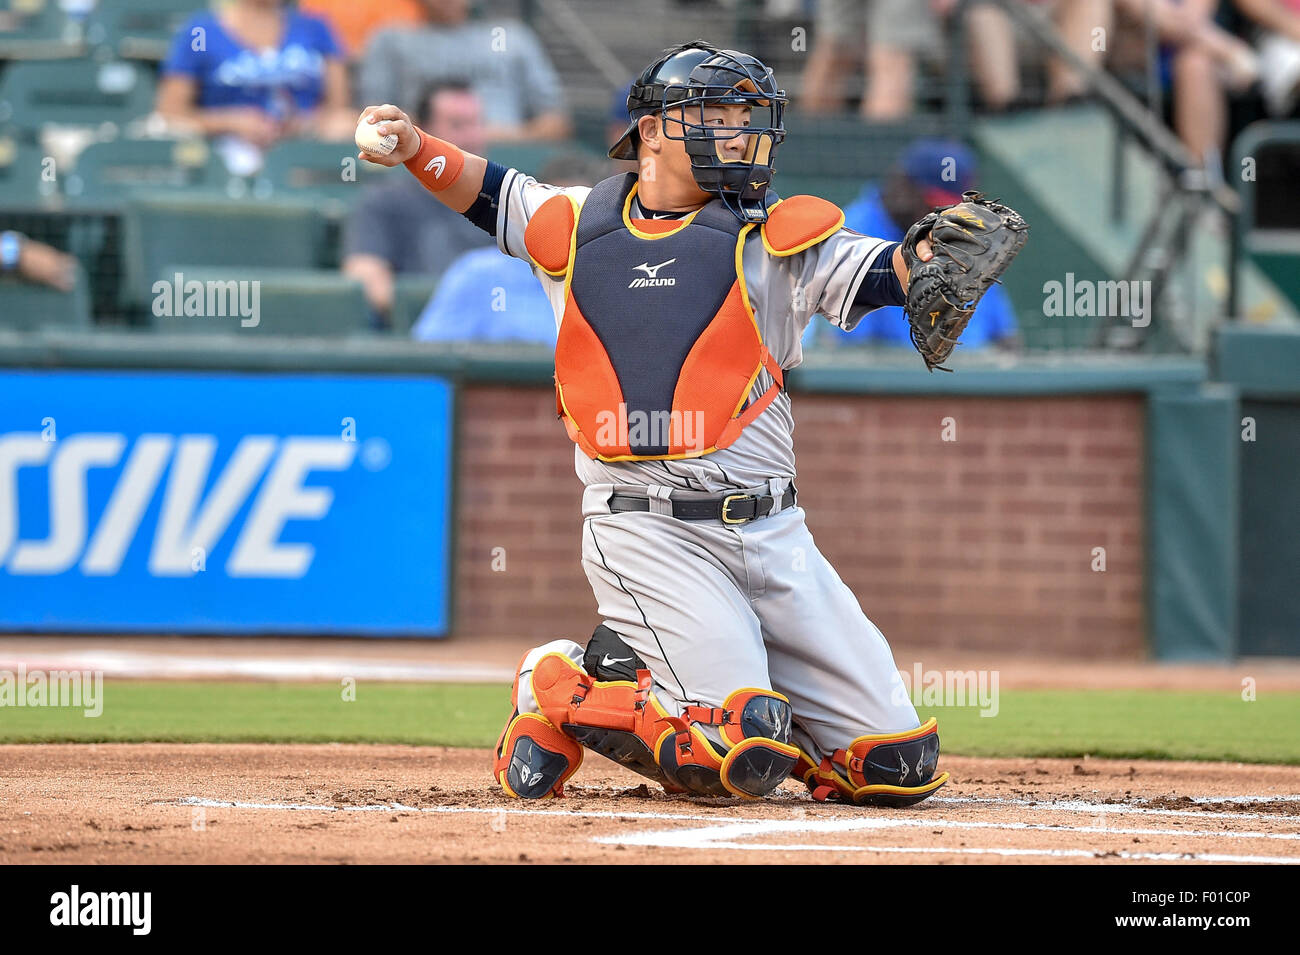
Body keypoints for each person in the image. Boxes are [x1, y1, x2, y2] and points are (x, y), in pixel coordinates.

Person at [359, 40, 951, 806]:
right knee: (726, 749)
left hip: (774, 534)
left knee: (897, 765)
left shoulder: (772, 241)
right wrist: (413, 146)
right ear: (651, 132)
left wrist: (927, 255)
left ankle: (663, 680)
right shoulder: (575, 224)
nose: (738, 133)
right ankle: (559, 685)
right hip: (648, 531)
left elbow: (882, 272)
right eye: (715, 115)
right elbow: (490, 192)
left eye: (746, 117)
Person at [833, 139, 1017, 351]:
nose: (947, 221)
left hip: (973, 378)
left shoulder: (964, 238)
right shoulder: (851, 235)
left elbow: (1007, 338)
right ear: (903, 188)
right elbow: (853, 353)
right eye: (936, 208)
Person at [411, 153, 608, 344]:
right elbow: (430, 358)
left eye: (579, 213)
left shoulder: (618, 275)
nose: (566, 223)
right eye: (554, 209)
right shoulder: (479, 272)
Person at [343, 81, 494, 325]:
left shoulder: (502, 199)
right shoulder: (384, 201)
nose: (472, 136)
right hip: (418, 343)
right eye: (458, 125)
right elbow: (367, 281)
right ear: (424, 132)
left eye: (478, 123)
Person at [155, 0, 354, 176]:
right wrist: (231, 122)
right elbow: (171, 113)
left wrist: (304, 124)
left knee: (346, 127)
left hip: (303, 152)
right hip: (223, 152)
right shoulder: (201, 32)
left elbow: (337, 109)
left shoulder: (315, 28)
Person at [358, 0, 569, 143]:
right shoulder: (390, 40)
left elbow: (555, 122)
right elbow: (373, 118)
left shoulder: (513, 37)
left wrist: (491, 136)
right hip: (419, 163)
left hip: (507, 163)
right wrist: (432, 136)